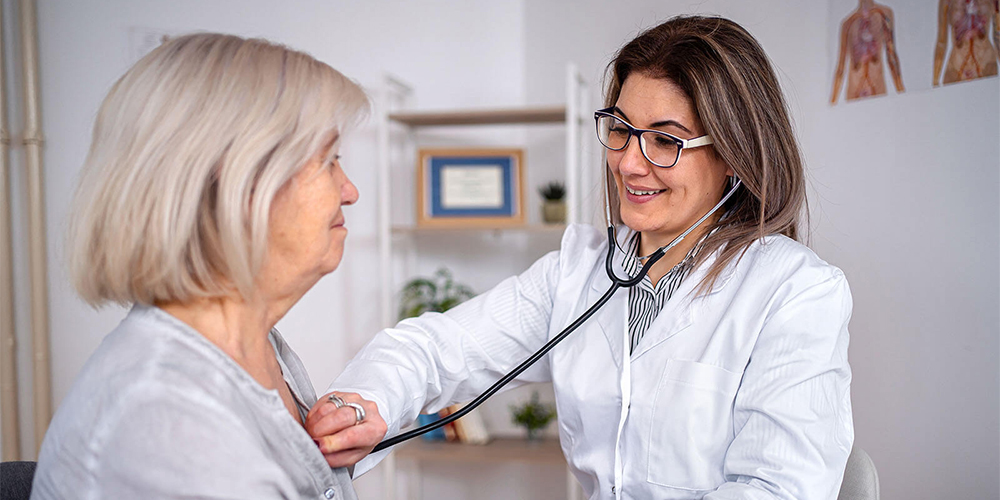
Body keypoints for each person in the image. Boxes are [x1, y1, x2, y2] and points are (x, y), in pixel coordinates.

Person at [308, 15, 854, 500]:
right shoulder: (578, 272)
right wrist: (362, 404)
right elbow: (434, 348)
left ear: (734, 155)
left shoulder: (794, 291)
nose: (629, 164)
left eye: (665, 141)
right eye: (620, 130)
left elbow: (779, 488)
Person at [32, 33, 380, 499]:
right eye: (329, 160)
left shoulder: (256, 348)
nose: (350, 190)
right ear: (237, 181)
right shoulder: (164, 426)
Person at [830, 0, 905, 103]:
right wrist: (831, 105)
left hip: (877, 91)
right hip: (854, 94)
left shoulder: (884, 14)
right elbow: (840, 69)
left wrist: (903, 95)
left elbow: (892, 58)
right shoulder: (847, 23)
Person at [933, 0, 999, 86]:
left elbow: (998, 35)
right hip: (956, 71)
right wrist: (935, 81)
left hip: (987, 67)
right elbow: (941, 42)